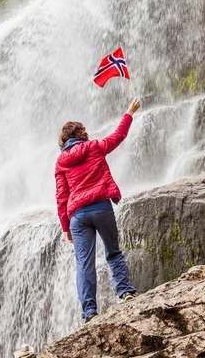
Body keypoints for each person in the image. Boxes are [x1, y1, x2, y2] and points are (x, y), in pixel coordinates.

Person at [55, 98, 140, 323]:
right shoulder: (93, 147)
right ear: (80, 133)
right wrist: (129, 113)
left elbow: (61, 197)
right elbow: (117, 137)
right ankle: (126, 292)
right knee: (113, 252)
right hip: (101, 207)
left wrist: (66, 227)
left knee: (84, 264)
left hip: (77, 215)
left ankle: (90, 313)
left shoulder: (61, 162)